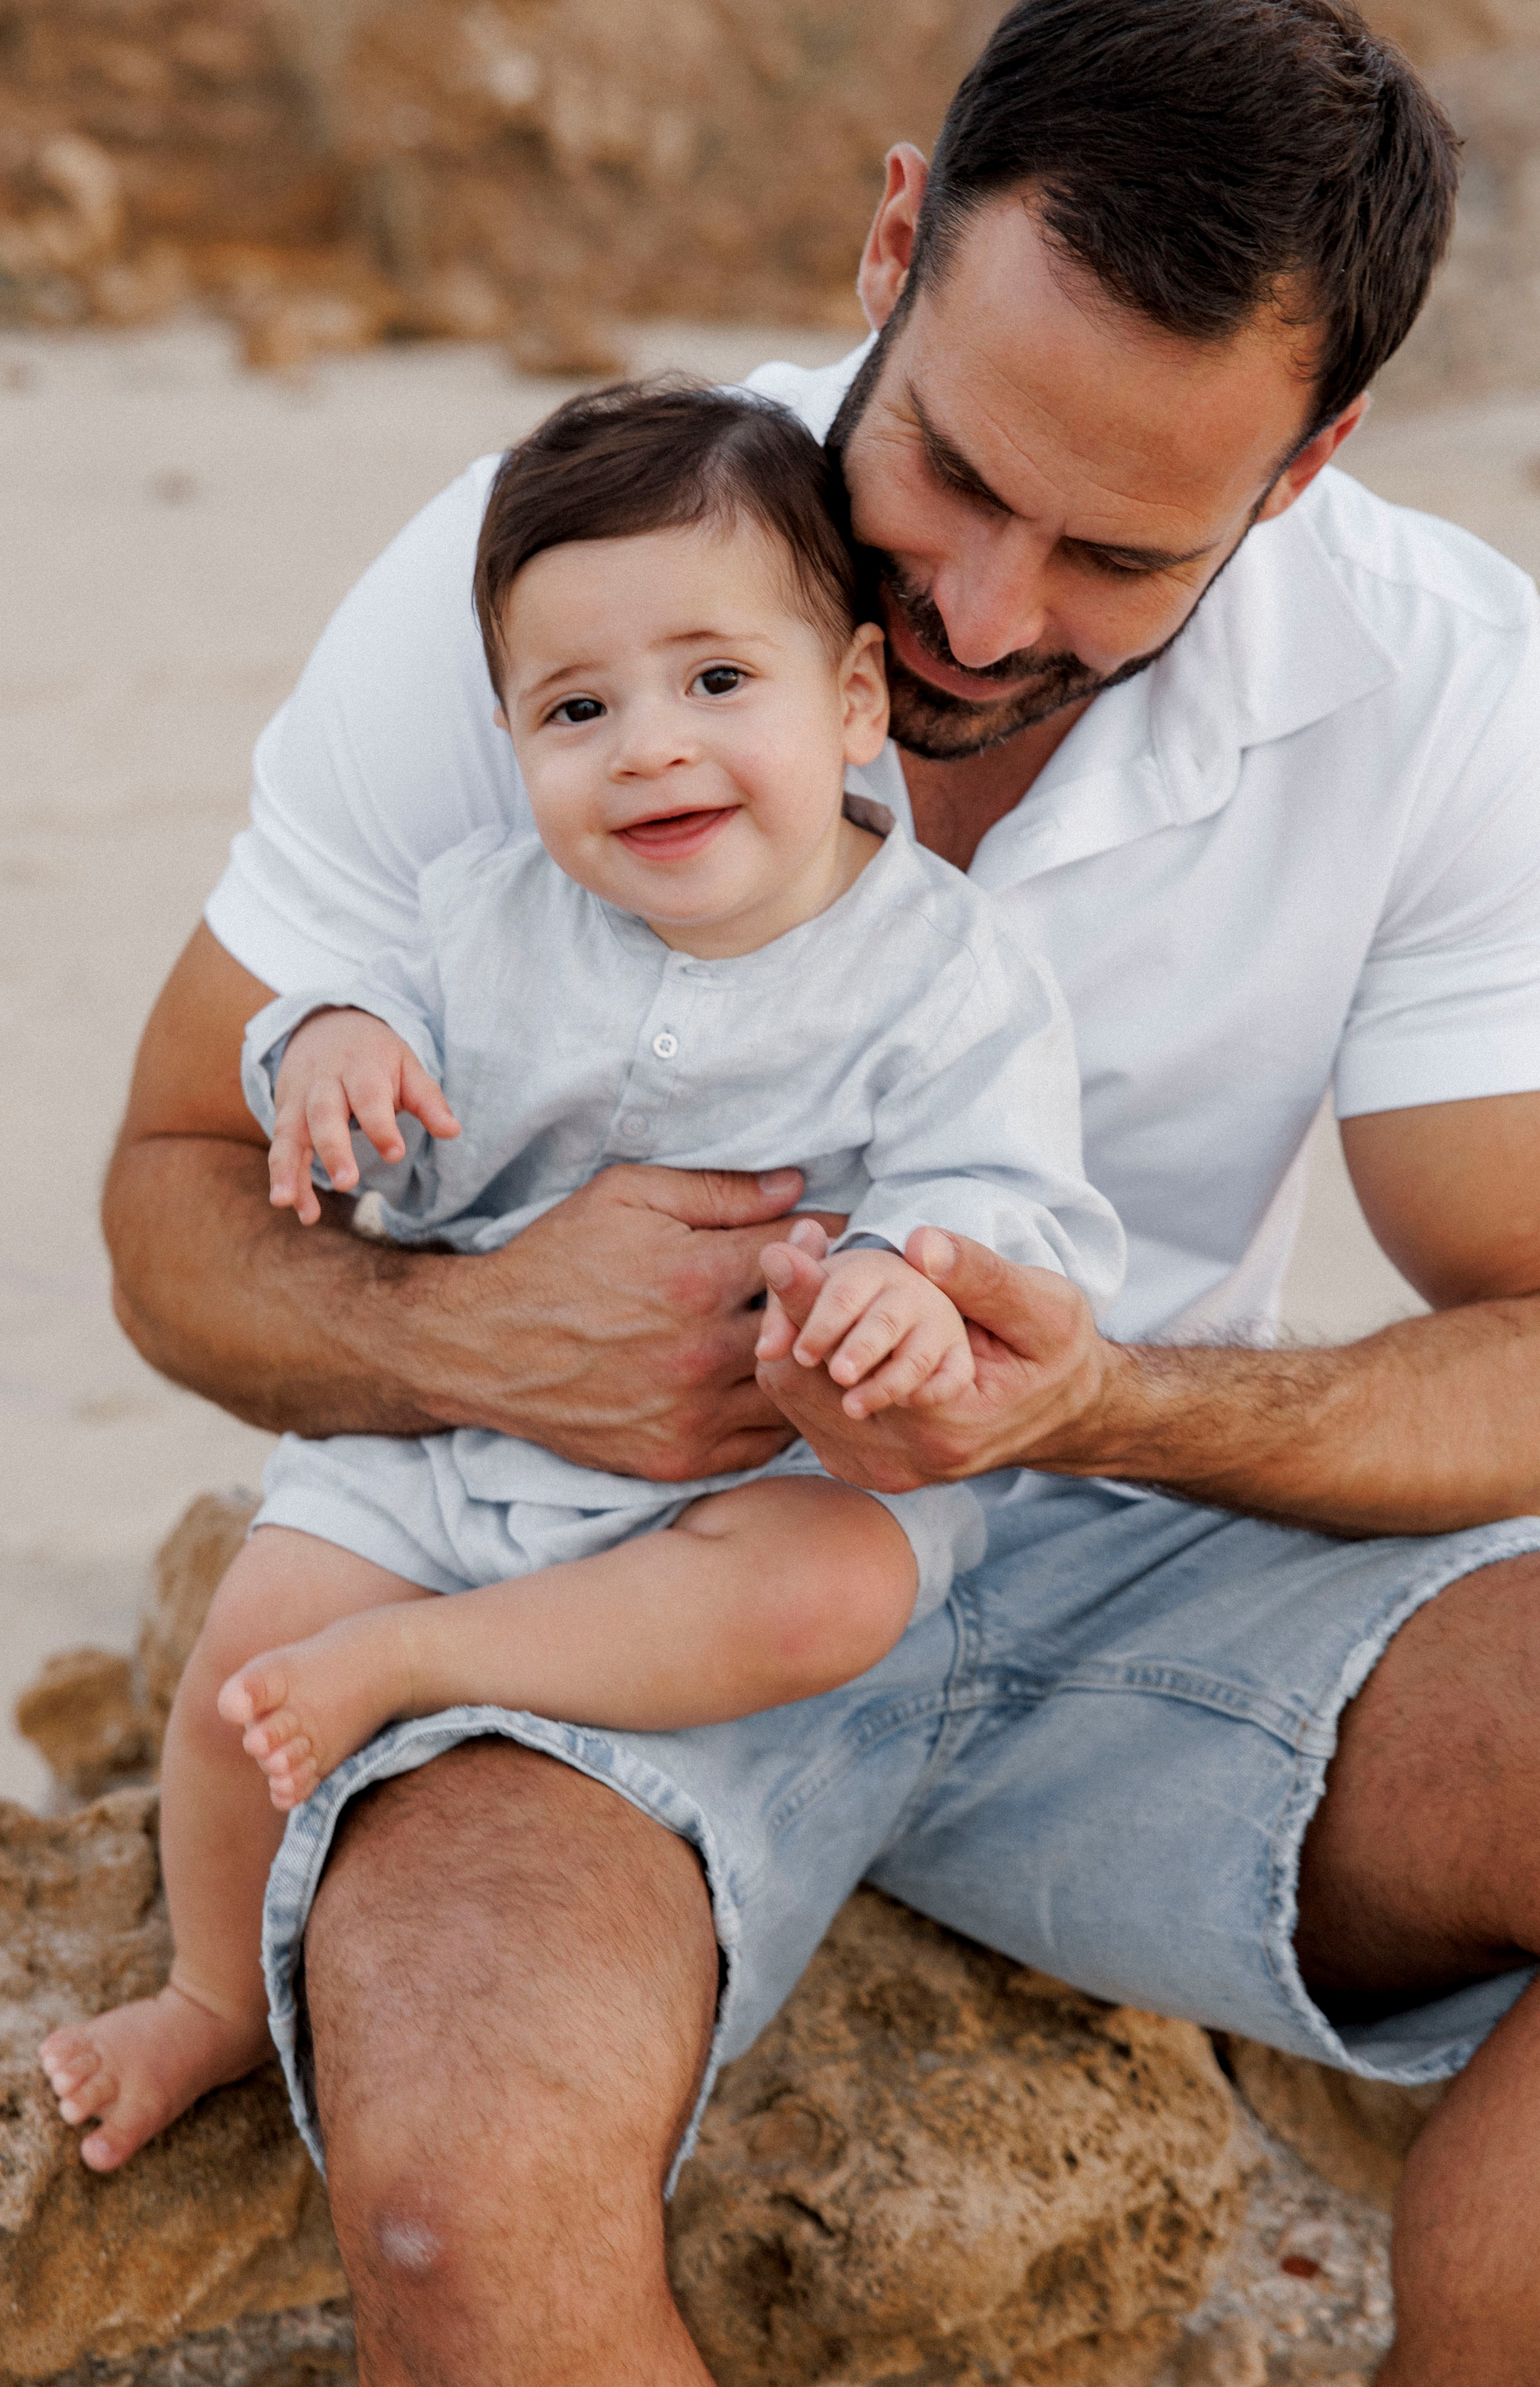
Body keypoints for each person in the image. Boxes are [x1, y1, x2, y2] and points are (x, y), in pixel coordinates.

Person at [92, 0, 1540, 2378]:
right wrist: (478, 1336)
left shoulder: (1445, 687)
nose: (980, 613)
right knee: (454, 2207)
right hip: (572, 1579)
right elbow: (168, 1203)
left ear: (1305, 467)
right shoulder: (562, 581)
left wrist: (1098, 1402)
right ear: (894, 242)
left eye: (1119, 552)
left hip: (1129, 1562)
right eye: (954, 472)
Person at [36, 382, 1124, 2171]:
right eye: (576, 709)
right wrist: (328, 1051)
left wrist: (910, 1283)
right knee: (243, 1657)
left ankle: (425, 1661)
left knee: (844, 1585)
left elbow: (1007, 1195)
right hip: (463, 1445)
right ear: (510, 737)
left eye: (718, 680)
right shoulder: (478, 915)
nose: (648, 750)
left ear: (855, 696)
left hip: (743, 1483)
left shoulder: (948, 971)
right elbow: (346, 1030)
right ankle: (212, 1994)